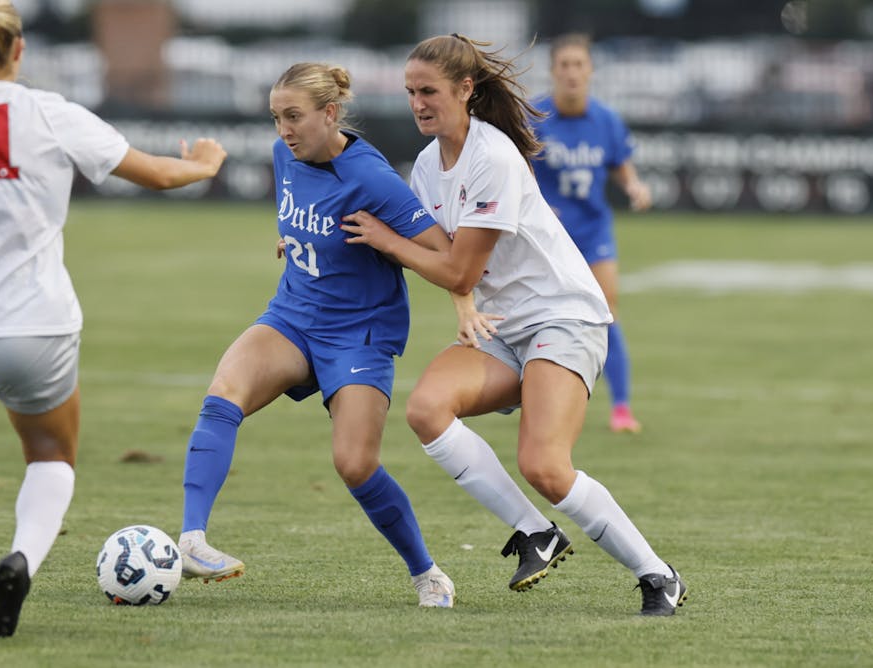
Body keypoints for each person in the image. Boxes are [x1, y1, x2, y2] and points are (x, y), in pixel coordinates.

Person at [0, 0, 227, 638]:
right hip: (36, 327)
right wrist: (206, 162)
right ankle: (21, 560)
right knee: (50, 456)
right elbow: (161, 174)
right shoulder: (50, 113)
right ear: (18, 51)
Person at [340, 34, 686, 615]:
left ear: (466, 90)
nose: (418, 103)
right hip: (503, 326)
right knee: (425, 410)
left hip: (563, 317)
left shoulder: (493, 155)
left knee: (546, 467)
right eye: (409, 92)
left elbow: (454, 264)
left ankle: (657, 575)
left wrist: (388, 241)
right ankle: (536, 533)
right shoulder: (427, 165)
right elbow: (445, 258)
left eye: (429, 91)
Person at [176, 62, 456, 608]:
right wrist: (295, 240)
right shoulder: (288, 155)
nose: (284, 130)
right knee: (223, 393)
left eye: (295, 117)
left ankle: (428, 574)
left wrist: (384, 239)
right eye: (277, 117)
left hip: (359, 334)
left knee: (354, 464)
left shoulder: (372, 179)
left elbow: (448, 255)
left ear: (330, 114)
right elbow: (304, 214)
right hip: (294, 315)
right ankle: (192, 541)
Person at [531, 33, 653, 434]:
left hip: (593, 231)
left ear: (590, 71)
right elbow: (516, 166)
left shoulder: (606, 119)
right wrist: (531, 200)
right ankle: (523, 397)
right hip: (548, 238)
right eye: (563, 65)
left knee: (607, 313)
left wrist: (633, 185)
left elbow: (620, 163)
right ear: (553, 71)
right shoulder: (535, 117)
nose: (571, 73)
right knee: (536, 315)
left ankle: (621, 408)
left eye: (578, 65)